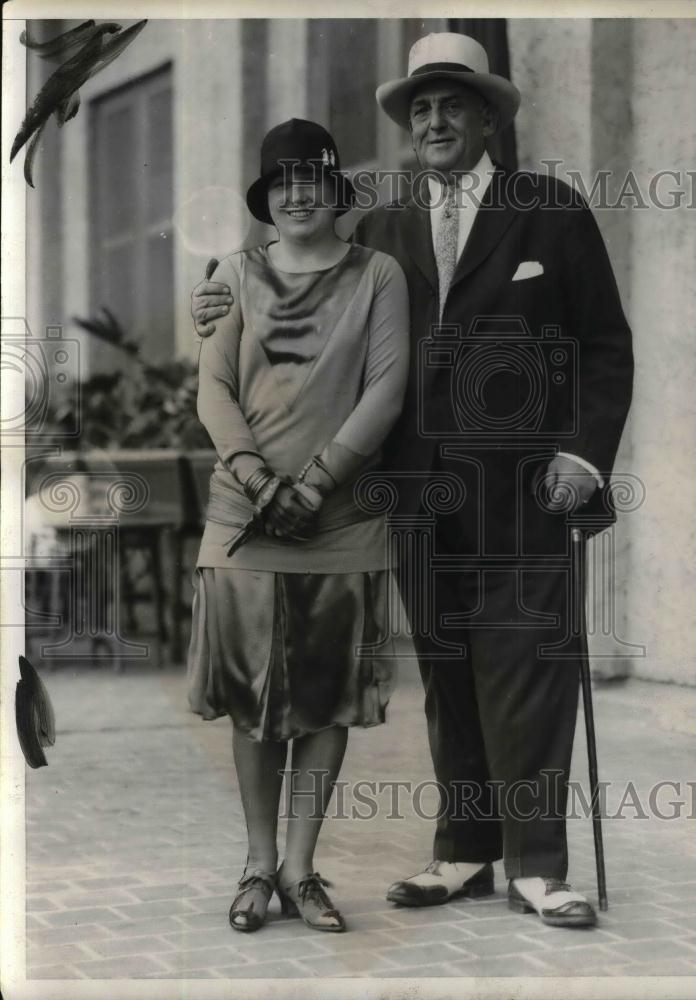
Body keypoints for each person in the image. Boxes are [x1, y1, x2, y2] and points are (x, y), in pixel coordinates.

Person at [191, 33, 633, 930]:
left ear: (488, 117)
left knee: (528, 665)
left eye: (452, 106)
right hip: (414, 493)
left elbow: (604, 346)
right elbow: (293, 273)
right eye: (420, 110)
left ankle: (538, 866)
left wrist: (582, 456)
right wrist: (214, 296)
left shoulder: (548, 210)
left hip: (525, 488)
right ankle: (465, 850)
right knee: (449, 669)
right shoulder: (382, 229)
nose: (434, 122)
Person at [187, 117, 409, 935]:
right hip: (246, 517)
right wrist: (256, 478)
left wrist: (314, 484)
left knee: (323, 701)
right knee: (252, 697)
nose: (297, 194)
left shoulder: (378, 273)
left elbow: (386, 389)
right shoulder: (233, 276)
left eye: (311, 178)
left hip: (341, 515)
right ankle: (253, 863)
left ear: (336, 188)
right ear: (265, 197)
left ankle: (299, 867)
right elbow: (213, 390)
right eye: (281, 182)